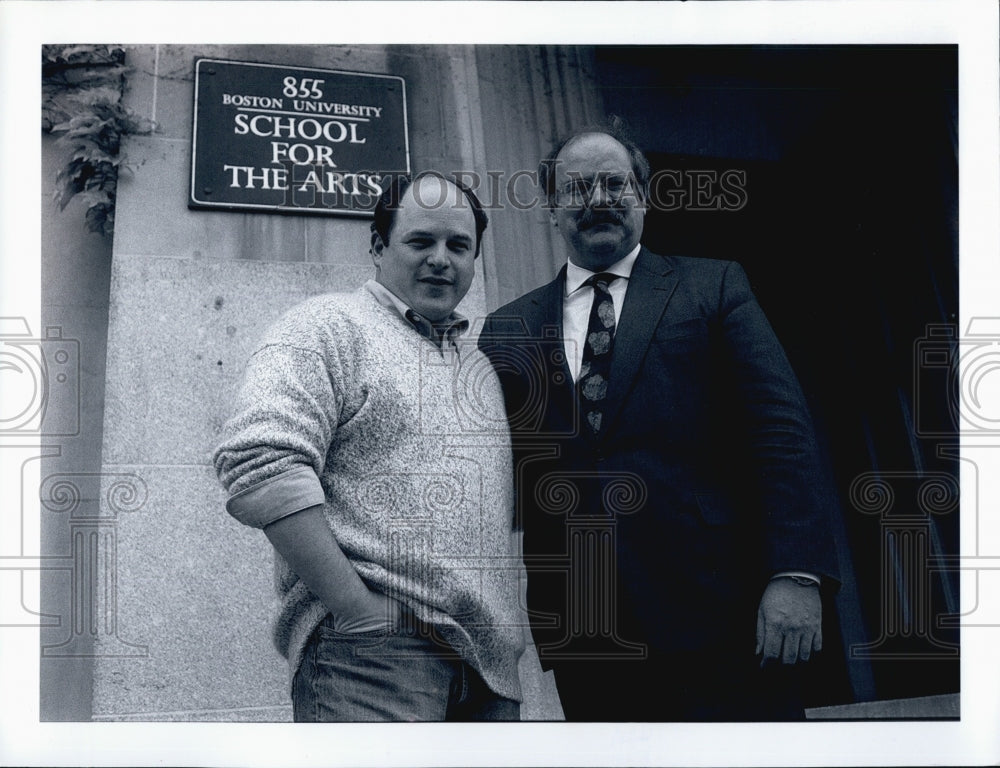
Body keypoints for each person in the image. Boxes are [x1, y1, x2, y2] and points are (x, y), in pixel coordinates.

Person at [478, 120, 840, 721]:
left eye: (614, 183)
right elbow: (492, 474)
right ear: (552, 208)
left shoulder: (714, 286)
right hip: (587, 630)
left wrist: (797, 573)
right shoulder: (508, 328)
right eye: (577, 187)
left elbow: (782, 433)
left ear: (642, 197)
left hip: (724, 612)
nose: (597, 199)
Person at [213, 172, 525, 721]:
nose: (441, 259)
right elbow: (259, 461)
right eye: (420, 241)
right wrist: (357, 611)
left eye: (459, 246)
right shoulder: (328, 326)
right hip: (374, 663)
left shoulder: (480, 367)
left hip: (490, 676)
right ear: (379, 247)